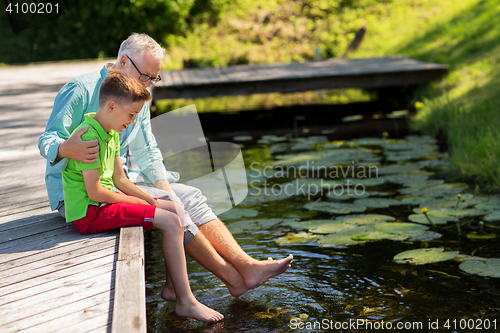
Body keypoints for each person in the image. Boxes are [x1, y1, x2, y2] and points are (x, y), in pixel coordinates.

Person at [39, 32, 293, 299]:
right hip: (76, 194)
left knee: (186, 196)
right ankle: (230, 279)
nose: (148, 85)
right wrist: (66, 148)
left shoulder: (136, 96)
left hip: (115, 180)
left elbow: (147, 149)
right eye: (145, 76)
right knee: (174, 207)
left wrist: (164, 189)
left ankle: (246, 266)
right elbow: (48, 138)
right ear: (124, 62)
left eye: (153, 79)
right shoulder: (81, 89)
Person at [62, 70, 223, 322]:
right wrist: (139, 202)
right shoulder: (89, 137)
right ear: (112, 106)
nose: (134, 121)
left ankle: (172, 287)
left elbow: (120, 180)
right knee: (169, 221)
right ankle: (186, 301)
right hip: (89, 213)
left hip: (104, 202)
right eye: (131, 115)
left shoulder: (111, 132)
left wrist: (151, 199)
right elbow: (95, 191)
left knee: (175, 208)